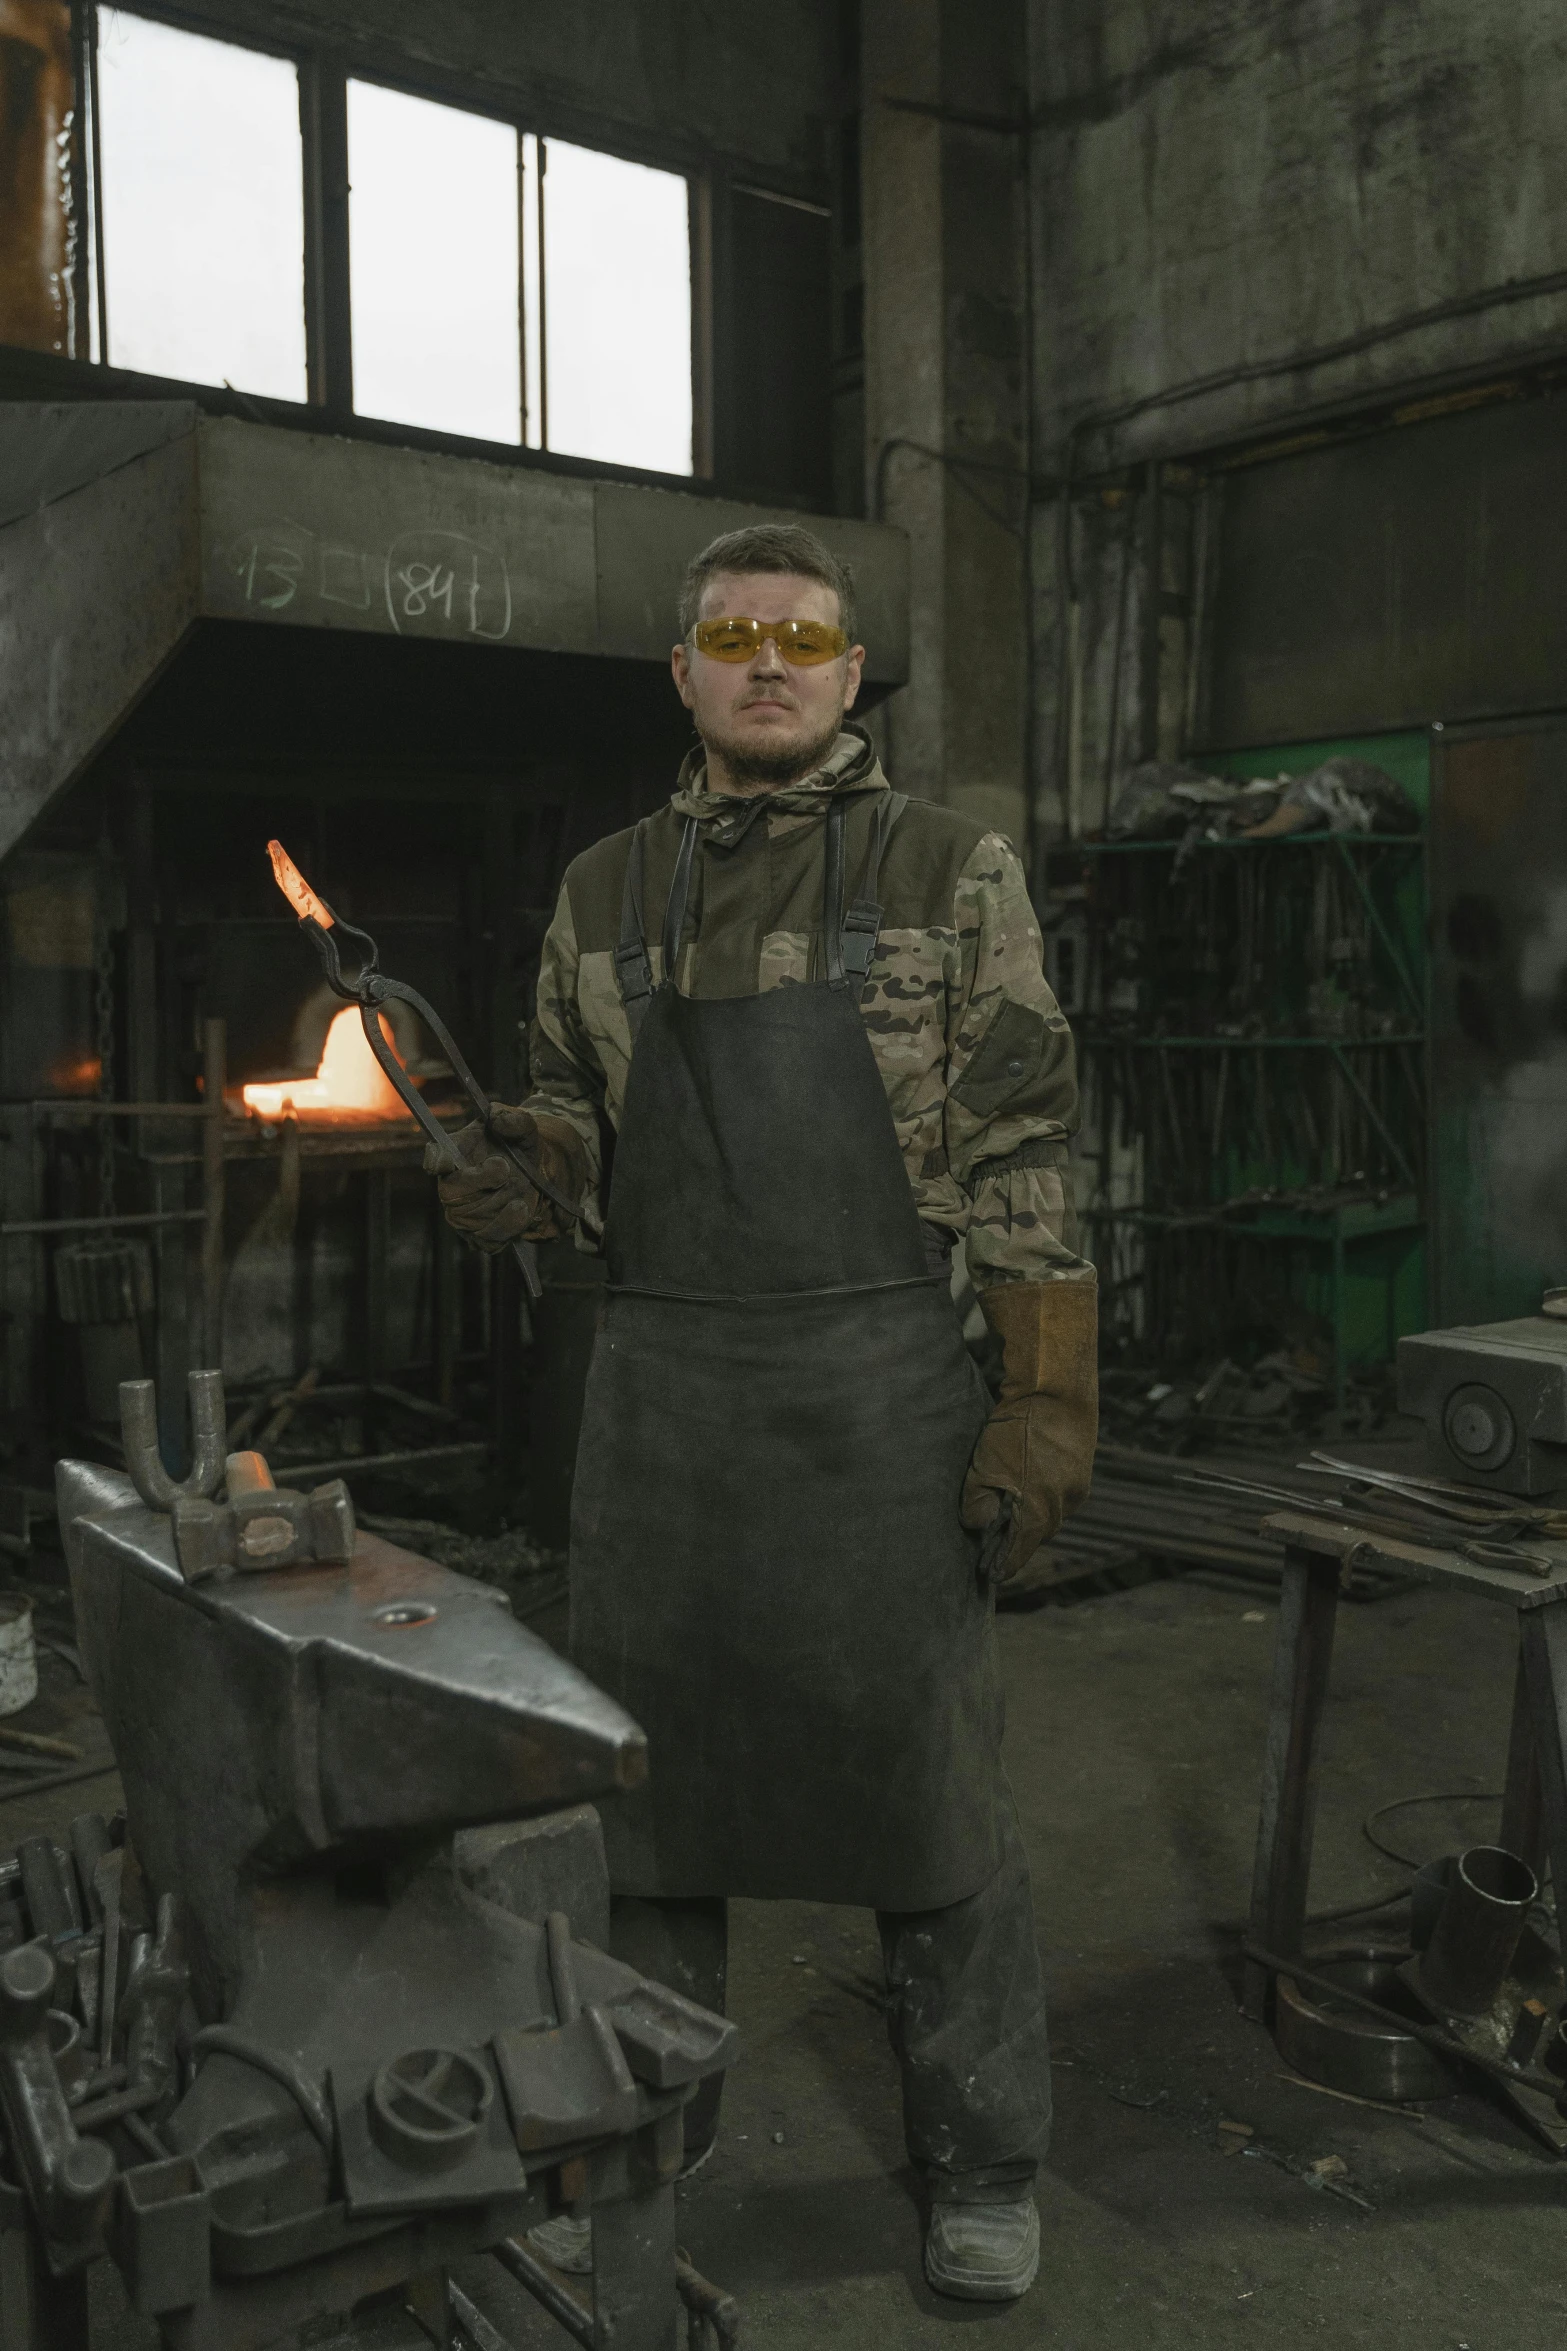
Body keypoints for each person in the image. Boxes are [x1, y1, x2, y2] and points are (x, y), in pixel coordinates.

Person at [432, 522, 1097, 2303]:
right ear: (684, 672)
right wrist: (525, 1163)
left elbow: (1028, 1147)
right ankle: (652, 2131)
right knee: (650, 1814)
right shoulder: (602, 890)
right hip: (663, 1414)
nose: (770, 660)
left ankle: (983, 2156)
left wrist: (1041, 1399)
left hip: (884, 1403)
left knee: (932, 1805)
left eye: (805, 634)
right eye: (732, 635)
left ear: (855, 666)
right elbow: (579, 1132)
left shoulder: (953, 870)